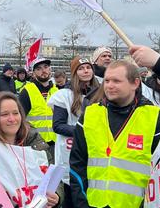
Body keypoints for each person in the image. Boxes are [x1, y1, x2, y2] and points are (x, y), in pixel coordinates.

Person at [69, 60, 160, 208]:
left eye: (116, 81)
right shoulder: (90, 114)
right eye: (107, 80)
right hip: (93, 204)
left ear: (135, 83)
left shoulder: (156, 118)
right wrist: (82, 203)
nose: (109, 85)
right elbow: (77, 164)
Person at [0, 92, 62, 208]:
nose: (12, 119)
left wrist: (57, 196)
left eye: (15, 113)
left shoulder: (35, 141)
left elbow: (54, 177)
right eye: (4, 114)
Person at [48, 56, 99, 208]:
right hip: (69, 152)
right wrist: (83, 131)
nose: (85, 71)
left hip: (94, 152)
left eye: (88, 67)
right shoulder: (64, 95)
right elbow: (58, 125)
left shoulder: (101, 93)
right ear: (75, 72)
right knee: (72, 195)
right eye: (81, 68)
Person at [19, 58, 58, 147]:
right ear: (33, 73)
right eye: (38, 69)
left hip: (55, 141)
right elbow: (20, 119)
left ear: (50, 69)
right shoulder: (27, 91)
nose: (43, 71)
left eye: (46, 67)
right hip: (35, 143)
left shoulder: (56, 91)